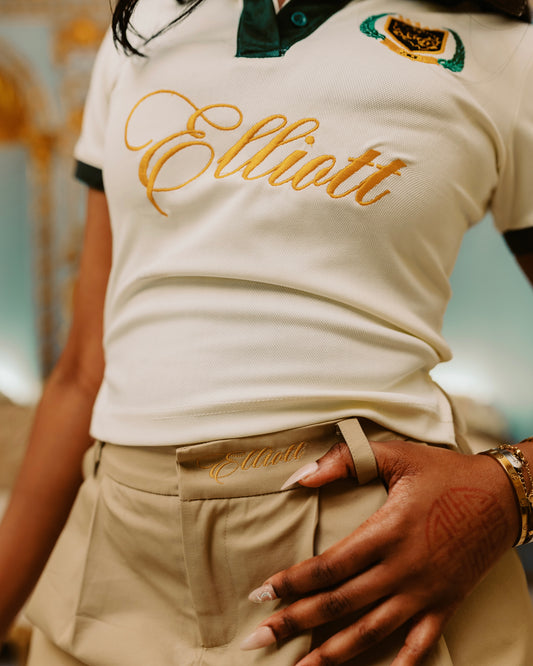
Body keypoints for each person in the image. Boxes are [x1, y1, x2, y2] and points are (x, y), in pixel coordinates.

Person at [2, 0, 533, 664]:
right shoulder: (142, 29)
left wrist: (510, 490)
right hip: (115, 563)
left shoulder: (504, 52)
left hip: (366, 566)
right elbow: (84, 371)